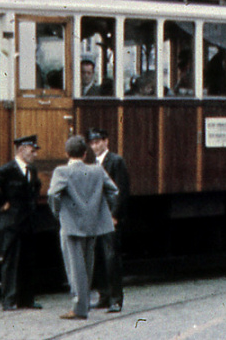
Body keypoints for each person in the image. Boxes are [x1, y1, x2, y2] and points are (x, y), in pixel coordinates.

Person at [46, 134, 118, 320]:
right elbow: (113, 191)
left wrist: (59, 213)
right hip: (93, 224)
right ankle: (84, 304)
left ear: (66, 153)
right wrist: (101, 210)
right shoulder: (97, 170)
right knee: (87, 265)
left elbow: (53, 195)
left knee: (75, 267)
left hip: (71, 225)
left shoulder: (62, 172)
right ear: (85, 153)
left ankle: (79, 308)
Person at [0, 135, 43, 311]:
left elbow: (36, 187)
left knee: (28, 261)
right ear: (21, 149)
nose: (35, 155)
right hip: (13, 223)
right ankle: (9, 299)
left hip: (28, 222)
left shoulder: (31, 170)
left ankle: (27, 299)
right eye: (32, 151)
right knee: (11, 261)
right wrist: (2, 203)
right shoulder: (8, 169)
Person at [88, 128, 130, 312]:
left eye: (98, 141)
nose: (95, 145)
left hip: (109, 217)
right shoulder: (91, 162)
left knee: (111, 258)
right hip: (96, 217)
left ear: (106, 142)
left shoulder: (116, 161)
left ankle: (115, 299)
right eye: (93, 142)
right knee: (97, 257)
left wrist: (115, 215)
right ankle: (103, 295)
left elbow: (121, 190)